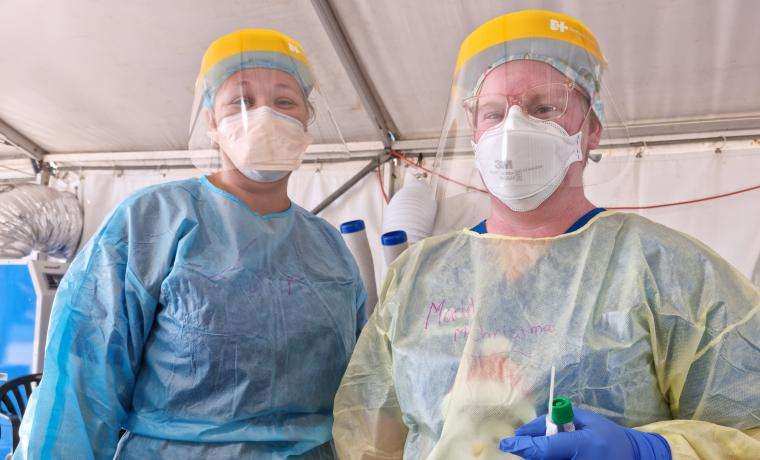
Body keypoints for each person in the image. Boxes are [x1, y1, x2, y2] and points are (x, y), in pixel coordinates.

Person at [332, 10, 759, 460]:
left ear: (591, 128)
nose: (513, 129)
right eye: (493, 113)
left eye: (544, 108)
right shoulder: (419, 275)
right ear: (474, 134)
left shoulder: (667, 270)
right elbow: (370, 429)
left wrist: (651, 451)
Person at [15, 29, 367, 459]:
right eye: (241, 101)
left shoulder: (328, 248)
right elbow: (83, 379)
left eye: (284, 102)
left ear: (306, 122)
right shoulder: (153, 221)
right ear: (212, 124)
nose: (264, 115)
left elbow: (363, 385)